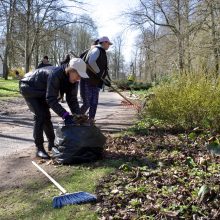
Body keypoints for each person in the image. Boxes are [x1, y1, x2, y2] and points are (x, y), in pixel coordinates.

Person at [19, 58, 88, 159]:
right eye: (78, 75)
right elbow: (51, 99)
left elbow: (72, 99)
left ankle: (52, 144)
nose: (79, 79)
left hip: (43, 90)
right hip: (29, 87)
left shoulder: (73, 80)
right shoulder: (55, 75)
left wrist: (78, 116)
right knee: (41, 116)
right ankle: (39, 148)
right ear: (71, 70)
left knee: (46, 116)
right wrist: (66, 116)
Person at [80, 36, 112, 124]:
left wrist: (104, 79)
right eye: (108, 43)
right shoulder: (96, 50)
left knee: (94, 103)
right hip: (88, 80)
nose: (109, 45)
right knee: (87, 103)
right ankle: (75, 119)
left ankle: (91, 120)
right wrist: (98, 72)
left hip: (95, 82)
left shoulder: (102, 52)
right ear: (104, 42)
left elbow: (103, 68)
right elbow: (91, 61)